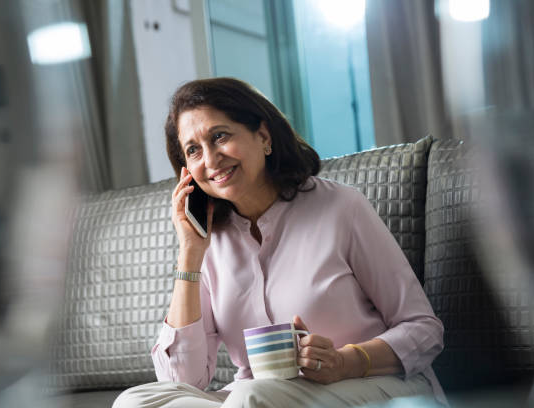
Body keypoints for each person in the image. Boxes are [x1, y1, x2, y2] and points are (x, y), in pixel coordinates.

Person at [113, 77, 446, 408]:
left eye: (220, 136)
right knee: (135, 402)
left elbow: (423, 329)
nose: (211, 159)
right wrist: (190, 254)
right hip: (259, 398)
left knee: (252, 395)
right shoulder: (209, 243)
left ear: (263, 136)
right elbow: (183, 382)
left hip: (369, 384)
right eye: (193, 150)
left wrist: (346, 362)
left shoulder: (342, 208)